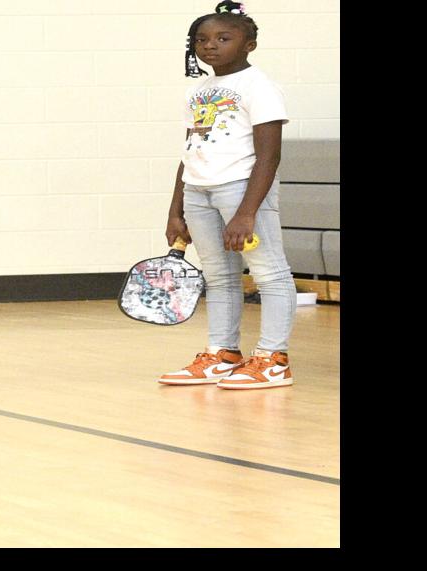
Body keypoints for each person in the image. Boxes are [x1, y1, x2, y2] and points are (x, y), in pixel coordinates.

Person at [157, 1, 296, 390]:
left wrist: (247, 212)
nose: (210, 46)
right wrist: (176, 209)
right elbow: (189, 150)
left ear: (249, 43)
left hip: (241, 189)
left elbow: (270, 155)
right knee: (218, 277)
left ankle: (273, 358)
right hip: (199, 191)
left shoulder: (260, 86)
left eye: (223, 38)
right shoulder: (198, 91)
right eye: (201, 39)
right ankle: (223, 353)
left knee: (269, 273)